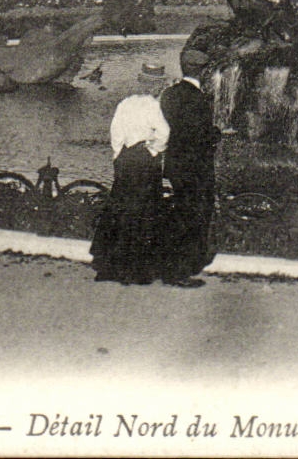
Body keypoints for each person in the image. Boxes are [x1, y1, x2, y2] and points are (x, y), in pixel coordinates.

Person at [91, 62, 172, 284]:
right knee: (145, 209)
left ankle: (110, 265)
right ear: (157, 85)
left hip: (125, 158)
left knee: (120, 208)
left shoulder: (124, 104)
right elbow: (165, 133)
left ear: (140, 82)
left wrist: (118, 155)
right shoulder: (155, 106)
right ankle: (139, 268)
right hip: (144, 160)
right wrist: (154, 150)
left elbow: (115, 132)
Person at [157, 48, 220, 288]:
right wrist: (216, 134)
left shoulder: (170, 93)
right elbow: (199, 135)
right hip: (196, 167)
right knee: (192, 216)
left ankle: (178, 266)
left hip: (175, 164)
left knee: (180, 213)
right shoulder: (199, 98)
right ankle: (180, 271)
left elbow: (172, 129)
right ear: (202, 71)